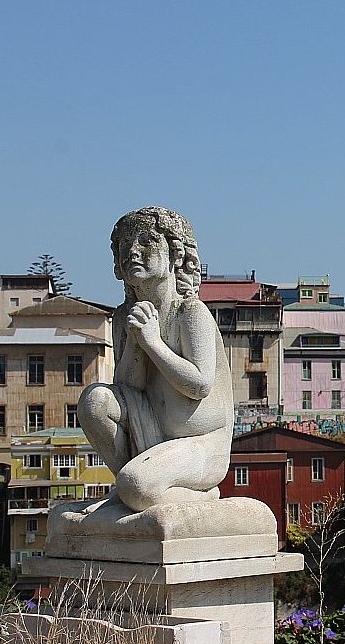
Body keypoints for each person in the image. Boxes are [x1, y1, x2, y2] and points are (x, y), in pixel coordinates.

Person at [78, 207, 234, 512]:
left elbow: (199, 385)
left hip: (202, 445)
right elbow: (128, 387)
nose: (133, 251)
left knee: (137, 486)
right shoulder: (124, 317)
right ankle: (128, 483)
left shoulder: (190, 313)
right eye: (125, 245)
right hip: (148, 432)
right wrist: (138, 341)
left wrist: (152, 342)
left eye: (147, 242)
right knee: (95, 400)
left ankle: (186, 495)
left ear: (175, 255)